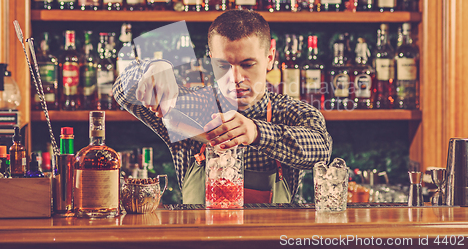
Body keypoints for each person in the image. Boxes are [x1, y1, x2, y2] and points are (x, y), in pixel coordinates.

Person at [113, 10, 332, 204]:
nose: (236, 78)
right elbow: (122, 92)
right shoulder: (192, 108)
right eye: (223, 65)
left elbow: (321, 150)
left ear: (270, 59)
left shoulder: (291, 112)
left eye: (248, 64)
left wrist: (256, 132)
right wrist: (154, 68)